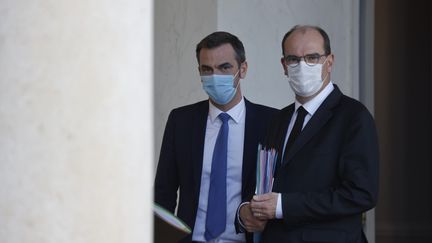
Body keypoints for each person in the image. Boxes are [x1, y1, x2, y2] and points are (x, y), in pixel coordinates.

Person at [237, 25, 379, 242]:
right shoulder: (278, 120)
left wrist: (284, 206)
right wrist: (247, 208)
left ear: (329, 61)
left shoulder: (353, 117)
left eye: (312, 57)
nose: (302, 66)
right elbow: (261, 180)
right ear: (284, 65)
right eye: (293, 59)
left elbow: (361, 194)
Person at [154, 31, 278, 243]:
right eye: (207, 70)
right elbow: (163, 192)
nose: (215, 76)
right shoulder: (181, 120)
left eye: (224, 67)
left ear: (243, 69)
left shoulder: (272, 122)